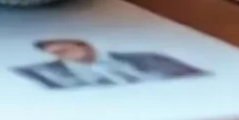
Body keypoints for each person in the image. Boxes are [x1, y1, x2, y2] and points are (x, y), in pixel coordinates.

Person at [13, 38, 206, 90]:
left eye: (67, 48)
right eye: (59, 53)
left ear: (87, 46)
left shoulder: (150, 58)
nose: (66, 55)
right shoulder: (46, 75)